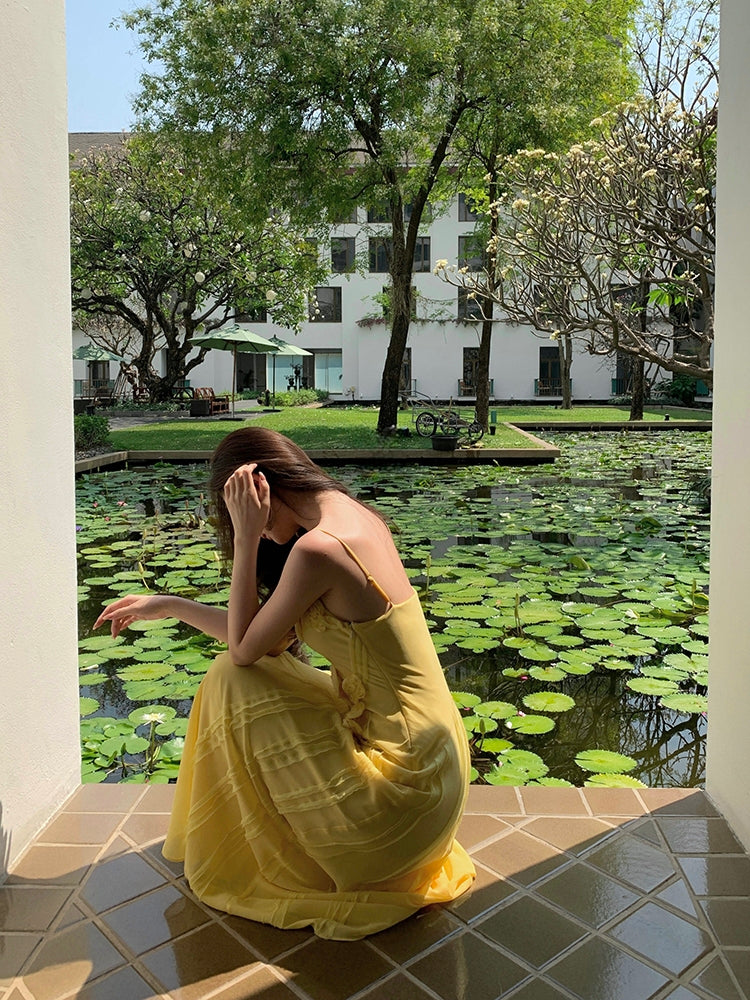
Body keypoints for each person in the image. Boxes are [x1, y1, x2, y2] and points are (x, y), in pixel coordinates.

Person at [94, 426, 475, 940]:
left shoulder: (321, 549)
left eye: (237, 510)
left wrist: (246, 537)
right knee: (242, 672)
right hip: (434, 767)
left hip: (404, 793)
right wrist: (168, 605)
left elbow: (243, 651)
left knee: (230, 678)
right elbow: (261, 639)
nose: (245, 529)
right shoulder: (352, 517)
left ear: (261, 489)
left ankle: (249, 841)